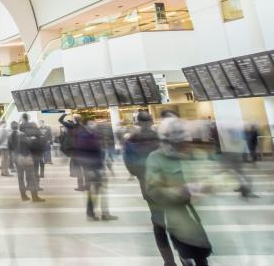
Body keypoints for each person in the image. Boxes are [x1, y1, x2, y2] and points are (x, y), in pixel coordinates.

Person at [146, 117, 213, 266]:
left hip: (194, 214)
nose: (184, 144)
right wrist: (180, 191)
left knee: (201, 254)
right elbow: (153, 190)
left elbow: (204, 175)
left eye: (184, 140)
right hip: (174, 214)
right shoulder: (156, 158)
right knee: (188, 252)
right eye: (179, 142)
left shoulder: (191, 154)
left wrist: (206, 185)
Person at [124, 111, 177, 266]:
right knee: (177, 221)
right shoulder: (162, 137)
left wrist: (140, 173)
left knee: (159, 224)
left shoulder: (132, 139)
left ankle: (169, 262)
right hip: (169, 183)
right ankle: (185, 257)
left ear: (137, 122)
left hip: (149, 186)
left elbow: (130, 164)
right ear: (152, 121)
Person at [80, 119, 116, 221]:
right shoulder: (84, 137)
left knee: (102, 191)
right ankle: (91, 214)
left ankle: (105, 213)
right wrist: (88, 170)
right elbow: (82, 155)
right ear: (86, 125)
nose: (94, 124)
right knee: (93, 192)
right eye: (91, 123)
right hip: (91, 169)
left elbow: (102, 152)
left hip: (99, 167)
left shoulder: (96, 135)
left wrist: (110, 169)